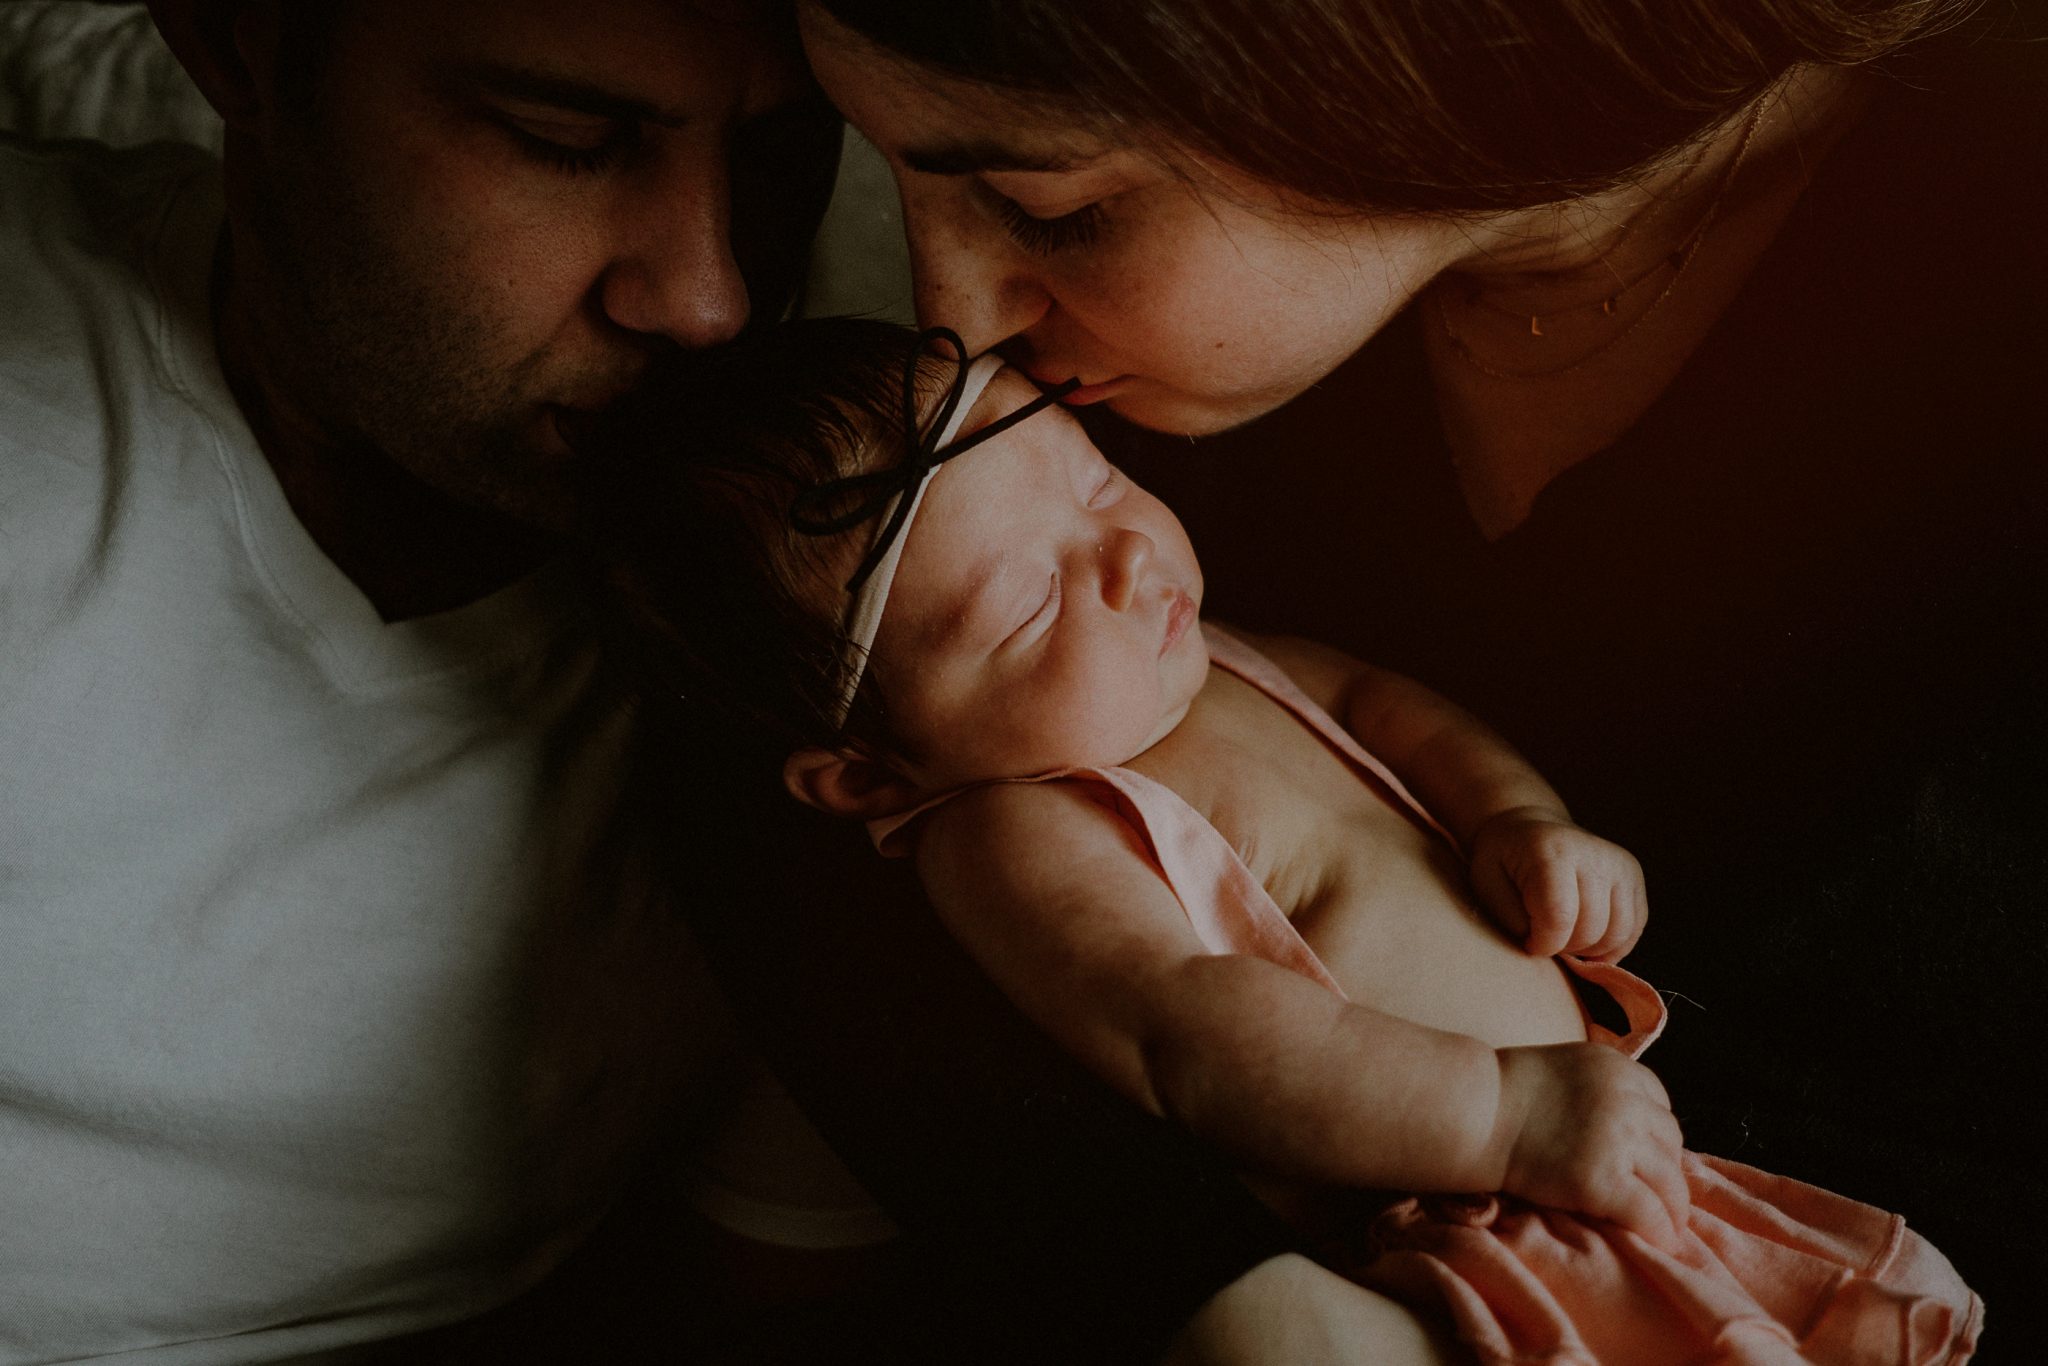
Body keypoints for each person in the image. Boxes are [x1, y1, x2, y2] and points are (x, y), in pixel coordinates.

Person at [0, 3, 1413, 1360]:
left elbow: (784, 1276)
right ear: (234, 30)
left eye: (785, 156)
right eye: (566, 138)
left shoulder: (897, 526)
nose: (709, 299)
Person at [797, 0, 2048, 1329]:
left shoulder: (1991, 280)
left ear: (1369, 57)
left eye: (1050, 209)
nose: (953, 331)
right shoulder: (1053, 506)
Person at [586, 317, 1981, 1362]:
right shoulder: (1013, 828)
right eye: (1026, 605)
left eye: (1093, 482)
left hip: (1618, 1151)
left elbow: (1384, 705)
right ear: (859, 772)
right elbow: (1187, 1033)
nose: (1130, 560)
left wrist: (1517, 813)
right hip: (1485, 1216)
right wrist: (1500, 1112)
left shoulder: (1196, 656)